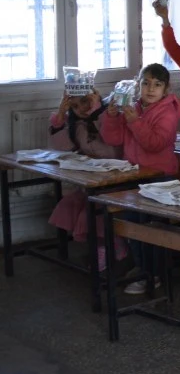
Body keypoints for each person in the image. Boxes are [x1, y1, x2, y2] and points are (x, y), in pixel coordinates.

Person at [99, 64, 180, 294]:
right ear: (138, 85)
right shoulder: (133, 107)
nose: (150, 89)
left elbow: (155, 143)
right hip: (133, 176)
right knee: (132, 225)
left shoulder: (168, 112)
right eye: (146, 83)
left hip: (159, 179)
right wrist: (112, 117)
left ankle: (153, 274)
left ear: (166, 89)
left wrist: (135, 122)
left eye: (157, 85)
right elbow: (113, 139)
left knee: (151, 229)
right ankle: (142, 267)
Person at [46, 90, 124, 267]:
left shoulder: (110, 115)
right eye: (74, 106)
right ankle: (100, 246)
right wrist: (60, 116)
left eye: (83, 102)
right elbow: (64, 147)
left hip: (117, 178)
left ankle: (113, 245)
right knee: (70, 203)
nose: (80, 109)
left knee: (93, 210)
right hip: (93, 179)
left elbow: (112, 143)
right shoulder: (78, 124)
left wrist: (97, 112)